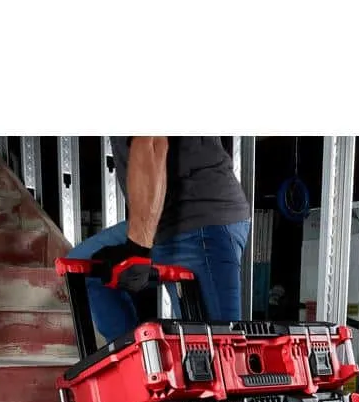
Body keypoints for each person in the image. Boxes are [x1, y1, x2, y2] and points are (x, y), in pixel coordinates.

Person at [67, 137, 251, 341]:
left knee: (214, 347)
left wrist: (137, 248)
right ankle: (134, 356)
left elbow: (152, 143)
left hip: (199, 223)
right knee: (85, 266)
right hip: (162, 220)